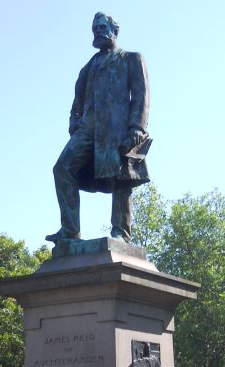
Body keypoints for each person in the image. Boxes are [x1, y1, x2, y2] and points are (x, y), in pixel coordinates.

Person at [46, 12, 152, 244]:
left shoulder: (131, 59)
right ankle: (70, 230)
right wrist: (74, 122)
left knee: (121, 176)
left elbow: (142, 95)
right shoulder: (87, 67)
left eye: (103, 27)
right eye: (95, 29)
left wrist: (136, 126)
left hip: (116, 128)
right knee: (62, 169)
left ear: (115, 31)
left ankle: (121, 232)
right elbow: (77, 101)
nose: (98, 32)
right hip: (88, 128)